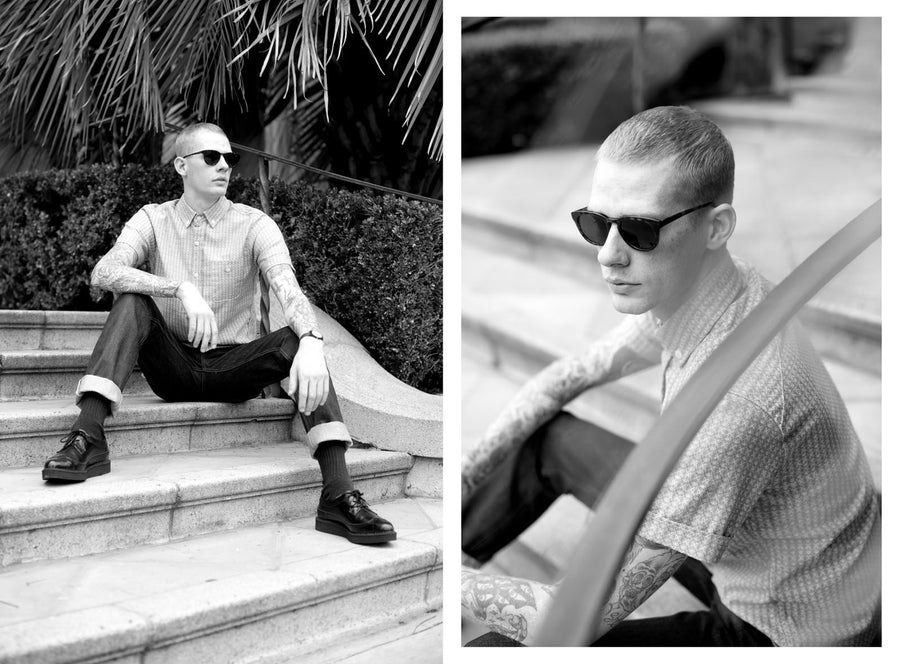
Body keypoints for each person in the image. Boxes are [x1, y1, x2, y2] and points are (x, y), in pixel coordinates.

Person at [461, 106, 880, 646]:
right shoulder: (708, 291)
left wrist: (449, 579)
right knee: (547, 437)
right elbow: (567, 376)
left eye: (638, 231)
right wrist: (468, 474)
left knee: (506, 648)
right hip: (749, 547)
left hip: (786, 626)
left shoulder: (742, 405)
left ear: (716, 228)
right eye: (595, 223)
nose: (607, 256)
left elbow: (563, 620)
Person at [42, 122, 396, 545]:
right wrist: (178, 288)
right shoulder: (152, 219)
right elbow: (104, 272)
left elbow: (287, 286)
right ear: (181, 165)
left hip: (234, 368)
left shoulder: (254, 224)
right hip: (173, 366)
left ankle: (338, 494)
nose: (224, 165)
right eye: (211, 157)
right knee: (131, 301)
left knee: (293, 341)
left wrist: (313, 343)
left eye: (231, 158)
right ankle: (88, 436)